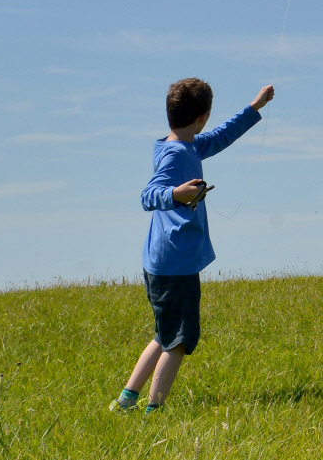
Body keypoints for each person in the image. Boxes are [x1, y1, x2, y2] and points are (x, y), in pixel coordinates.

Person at [114, 77, 273, 412]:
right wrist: (177, 194)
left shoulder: (184, 145)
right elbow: (147, 196)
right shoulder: (175, 154)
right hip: (176, 262)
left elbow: (221, 137)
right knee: (181, 341)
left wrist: (253, 109)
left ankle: (126, 400)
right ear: (203, 116)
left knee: (163, 333)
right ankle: (153, 411)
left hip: (162, 260)